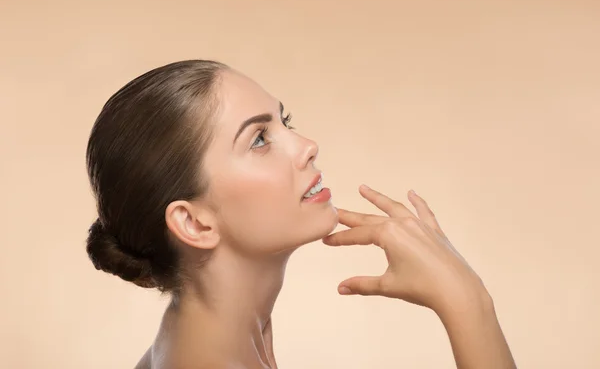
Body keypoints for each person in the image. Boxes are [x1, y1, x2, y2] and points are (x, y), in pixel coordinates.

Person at [85, 59, 517, 369]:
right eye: (258, 139)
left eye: (283, 121)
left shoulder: (219, 336)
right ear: (194, 222)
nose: (305, 144)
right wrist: (467, 301)